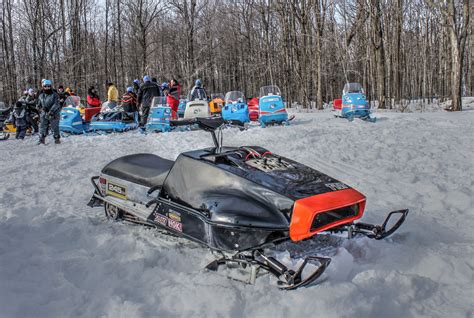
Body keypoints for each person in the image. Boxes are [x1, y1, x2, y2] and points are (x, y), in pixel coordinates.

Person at [37, 79, 61, 145]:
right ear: (43, 86)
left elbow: (56, 104)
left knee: (55, 126)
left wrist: (51, 111)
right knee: (42, 126)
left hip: (53, 114)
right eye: (45, 86)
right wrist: (42, 109)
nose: (47, 87)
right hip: (44, 114)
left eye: (48, 86)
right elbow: (38, 105)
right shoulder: (41, 95)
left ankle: (57, 139)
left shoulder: (55, 95)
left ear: (50, 86)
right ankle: (42, 139)